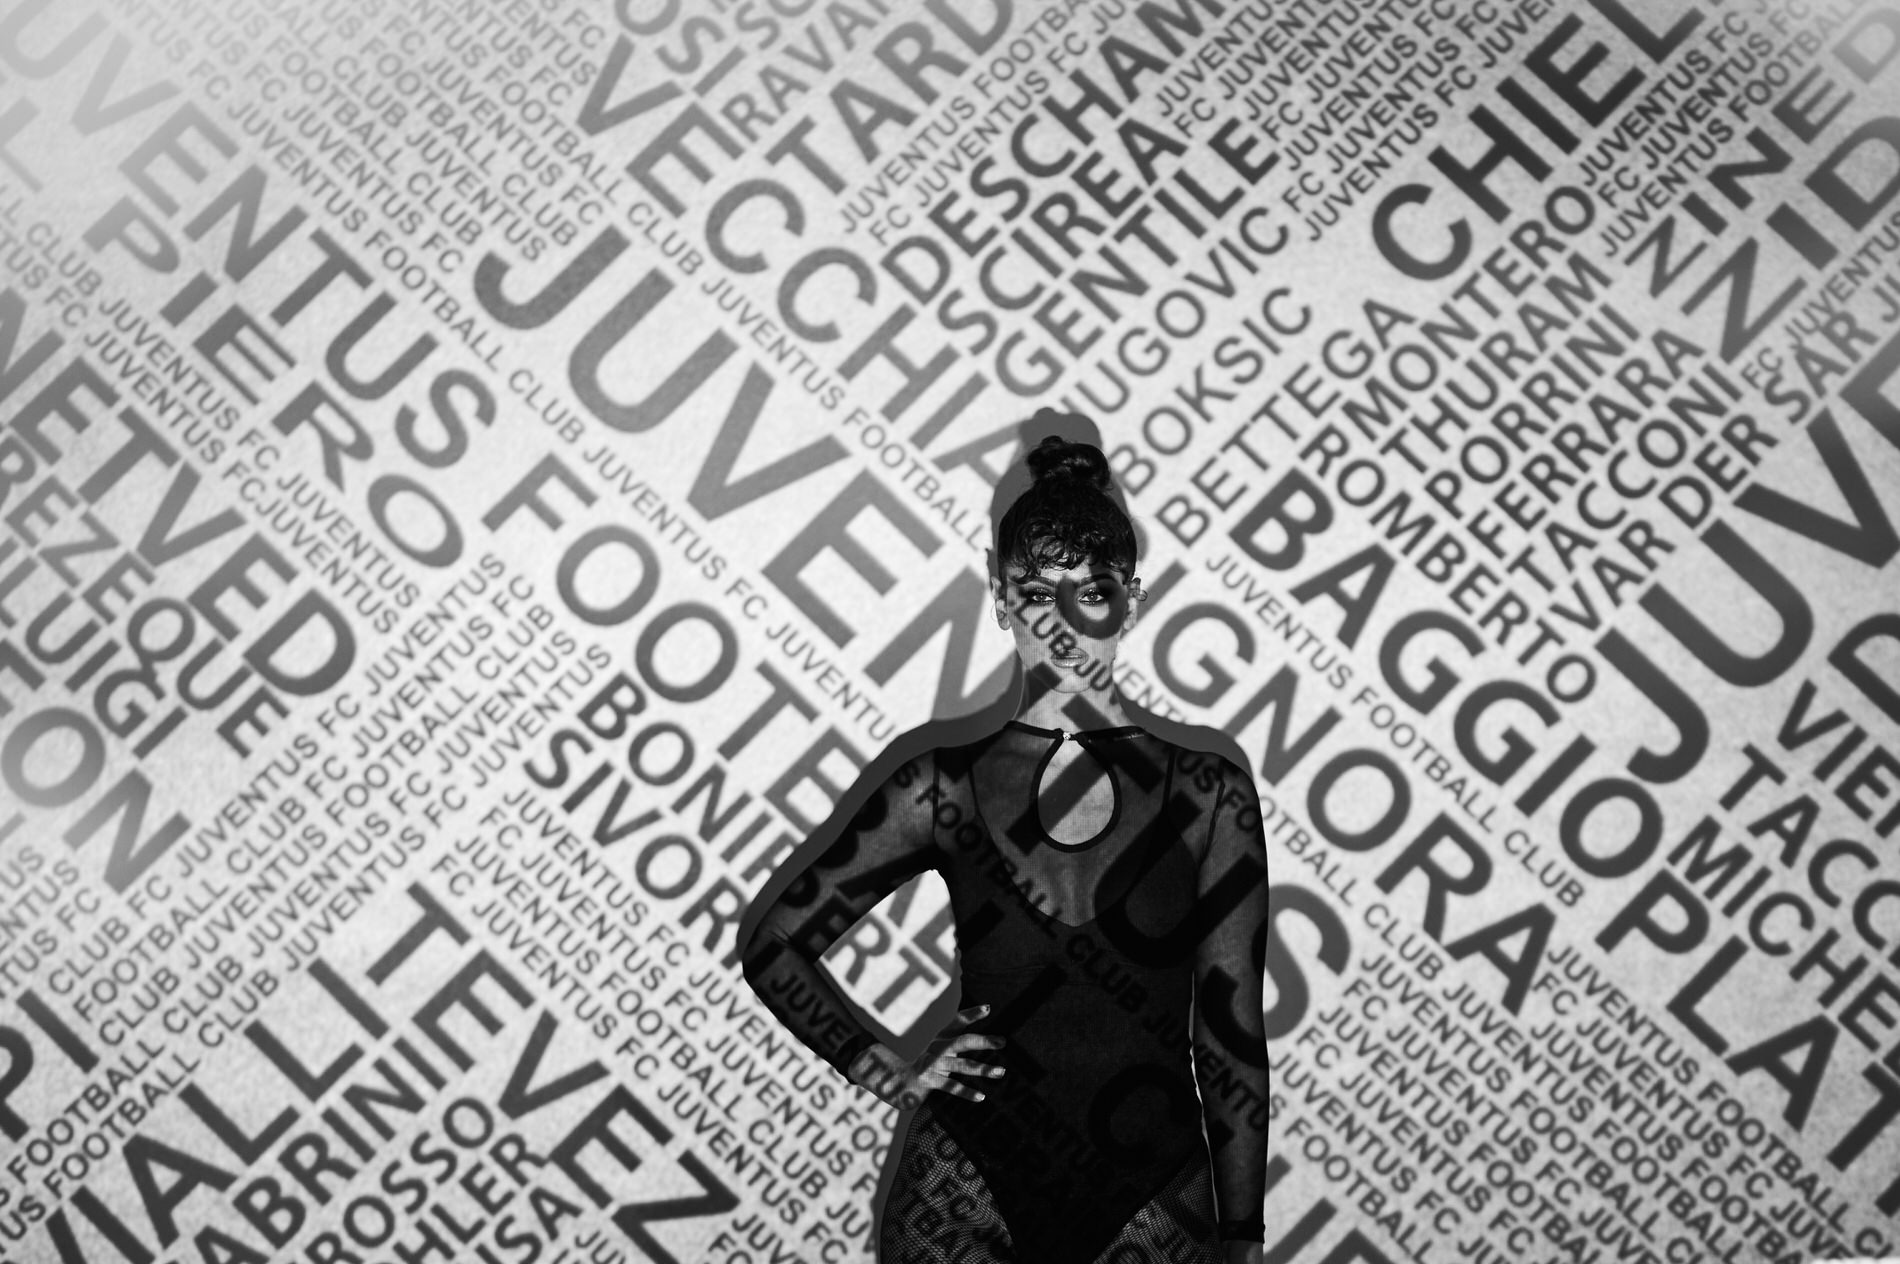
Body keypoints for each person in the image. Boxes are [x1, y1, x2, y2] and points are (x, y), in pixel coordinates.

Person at [742, 434, 1268, 1264]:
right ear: (1000, 600)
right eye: (1036, 593)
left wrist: (1243, 1235)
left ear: (1131, 601)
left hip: (1154, 1199)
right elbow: (776, 946)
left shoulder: (1209, 792)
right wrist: (883, 1068)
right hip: (964, 1190)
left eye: (1091, 592)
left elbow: (1231, 1040)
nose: (1064, 624)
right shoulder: (939, 786)